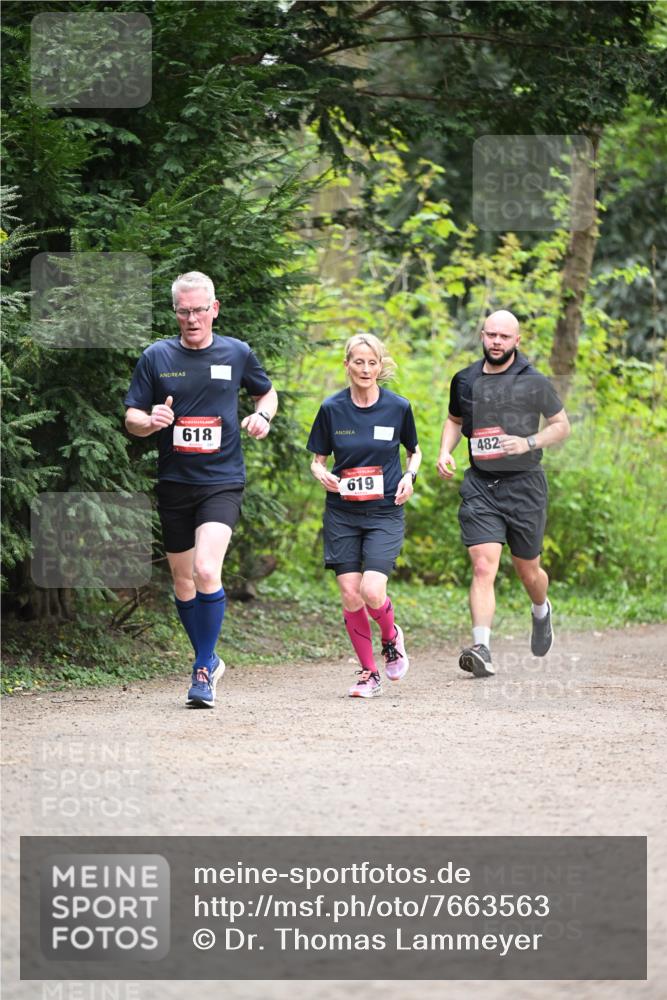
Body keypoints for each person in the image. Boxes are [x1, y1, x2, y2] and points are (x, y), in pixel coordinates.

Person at [124, 271, 277, 708]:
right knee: (183, 581)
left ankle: (202, 672)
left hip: (222, 481)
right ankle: (207, 657)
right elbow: (132, 418)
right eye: (183, 311)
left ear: (215, 309)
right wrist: (149, 421)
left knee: (207, 570)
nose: (192, 319)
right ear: (175, 312)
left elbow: (266, 394)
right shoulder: (157, 356)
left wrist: (263, 417)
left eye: (199, 310)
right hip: (175, 483)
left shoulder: (236, 352)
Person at [436, 310, 570, 678]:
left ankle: (541, 609)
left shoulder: (534, 381)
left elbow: (561, 426)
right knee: (483, 565)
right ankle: (482, 647)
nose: (496, 342)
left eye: (504, 337)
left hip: (525, 486)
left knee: (528, 571)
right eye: (491, 335)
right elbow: (454, 420)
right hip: (481, 485)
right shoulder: (465, 380)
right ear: (482, 335)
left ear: (517, 341)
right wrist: (444, 451)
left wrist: (529, 442)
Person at [307, 333, 421, 699]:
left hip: (385, 510)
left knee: (372, 590)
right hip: (342, 512)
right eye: (359, 362)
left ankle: (391, 637)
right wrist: (320, 474)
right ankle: (369, 673)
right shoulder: (331, 408)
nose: (366, 369)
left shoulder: (397, 407)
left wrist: (410, 476)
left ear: (380, 366)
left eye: (372, 362)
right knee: (349, 593)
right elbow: (318, 460)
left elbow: (414, 451)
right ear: (347, 365)